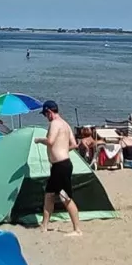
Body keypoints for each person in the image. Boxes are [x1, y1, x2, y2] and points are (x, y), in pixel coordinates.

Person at [40, 101, 82, 235]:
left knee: (65, 197)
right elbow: (74, 144)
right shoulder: (65, 124)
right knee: (49, 195)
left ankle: (77, 229)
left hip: (61, 166)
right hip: (61, 165)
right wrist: (63, 149)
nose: (46, 117)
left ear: (49, 112)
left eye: (46, 114)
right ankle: (44, 225)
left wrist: (39, 140)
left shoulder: (54, 124)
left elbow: (50, 141)